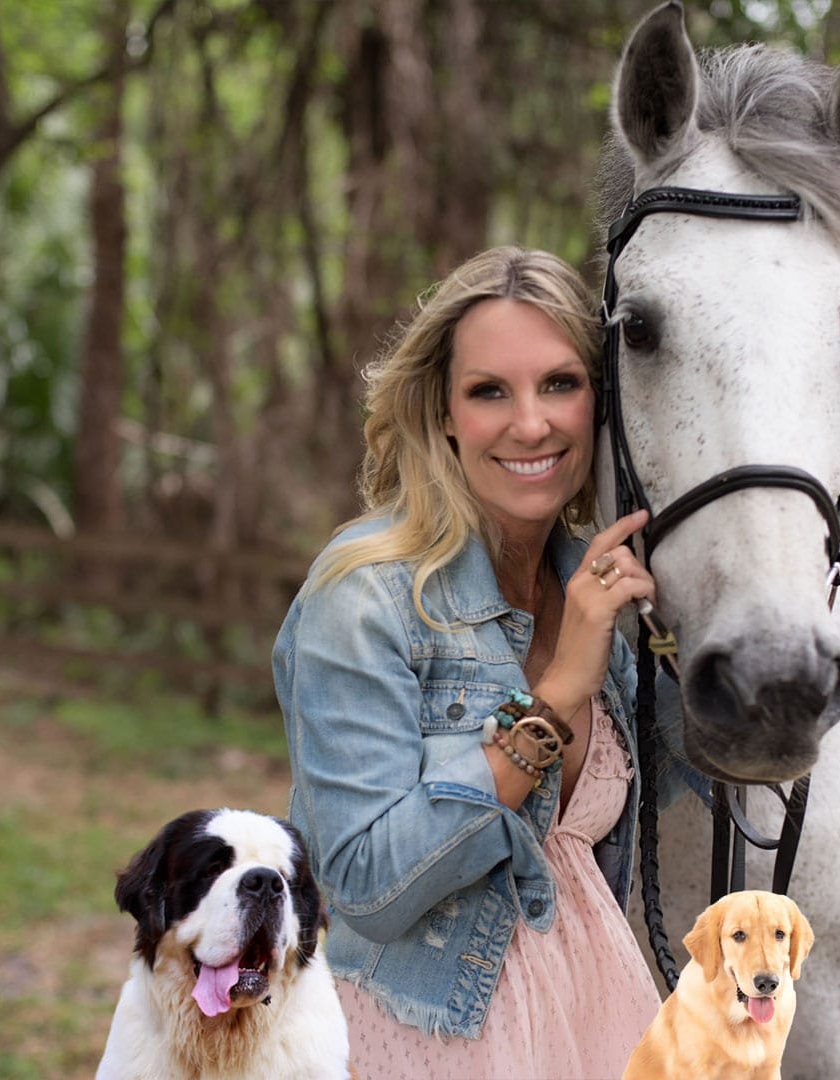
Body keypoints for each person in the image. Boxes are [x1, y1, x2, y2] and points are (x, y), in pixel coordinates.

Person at [273, 246, 692, 1079]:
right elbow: (369, 886)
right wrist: (555, 697)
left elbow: (705, 780)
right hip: (426, 1037)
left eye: (560, 384)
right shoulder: (365, 597)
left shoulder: (597, 586)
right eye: (489, 390)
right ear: (444, 415)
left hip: (594, 1023)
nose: (530, 424)